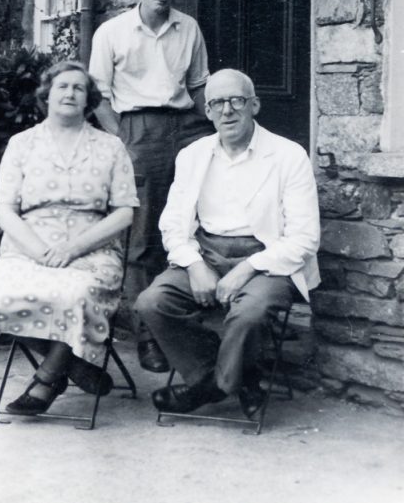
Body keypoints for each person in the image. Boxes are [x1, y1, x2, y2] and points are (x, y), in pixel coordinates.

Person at [136, 68, 320, 416]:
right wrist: (194, 265)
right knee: (152, 303)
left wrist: (247, 269)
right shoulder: (193, 155)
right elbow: (173, 223)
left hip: (268, 260)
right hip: (206, 253)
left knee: (249, 313)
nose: (227, 110)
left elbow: (304, 237)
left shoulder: (288, 155)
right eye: (217, 102)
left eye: (236, 100)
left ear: (254, 105)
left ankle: (211, 388)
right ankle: (233, 376)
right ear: (207, 111)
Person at [0, 61, 139, 415]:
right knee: (5, 293)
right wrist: (39, 250)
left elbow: (125, 212)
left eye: (78, 88)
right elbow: (4, 209)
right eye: (62, 86)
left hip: (92, 248)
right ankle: (76, 364)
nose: (70, 93)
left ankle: (47, 379)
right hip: (29, 247)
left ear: (88, 99)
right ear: (47, 95)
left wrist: (73, 248)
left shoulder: (110, 146)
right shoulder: (21, 144)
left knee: (75, 293)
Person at [89, 0, 213, 373]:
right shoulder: (112, 32)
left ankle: (189, 327)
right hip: (138, 131)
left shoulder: (188, 28)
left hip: (188, 127)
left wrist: (217, 129)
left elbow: (198, 87)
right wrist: (123, 141)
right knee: (143, 238)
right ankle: (149, 337)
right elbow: (98, 97)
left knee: (197, 223)